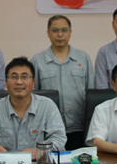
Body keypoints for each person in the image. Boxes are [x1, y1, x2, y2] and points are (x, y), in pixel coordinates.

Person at [0, 57, 66, 156]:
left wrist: (39, 151)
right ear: (6, 83)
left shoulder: (47, 106)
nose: (19, 82)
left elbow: (59, 139)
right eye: (14, 77)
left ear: (33, 82)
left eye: (24, 77)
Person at [30, 15, 94, 149]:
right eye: (55, 30)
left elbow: (91, 92)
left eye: (64, 30)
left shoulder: (83, 58)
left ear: (70, 32)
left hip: (79, 126)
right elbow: (33, 96)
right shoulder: (37, 60)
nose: (60, 34)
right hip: (48, 127)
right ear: (48, 33)